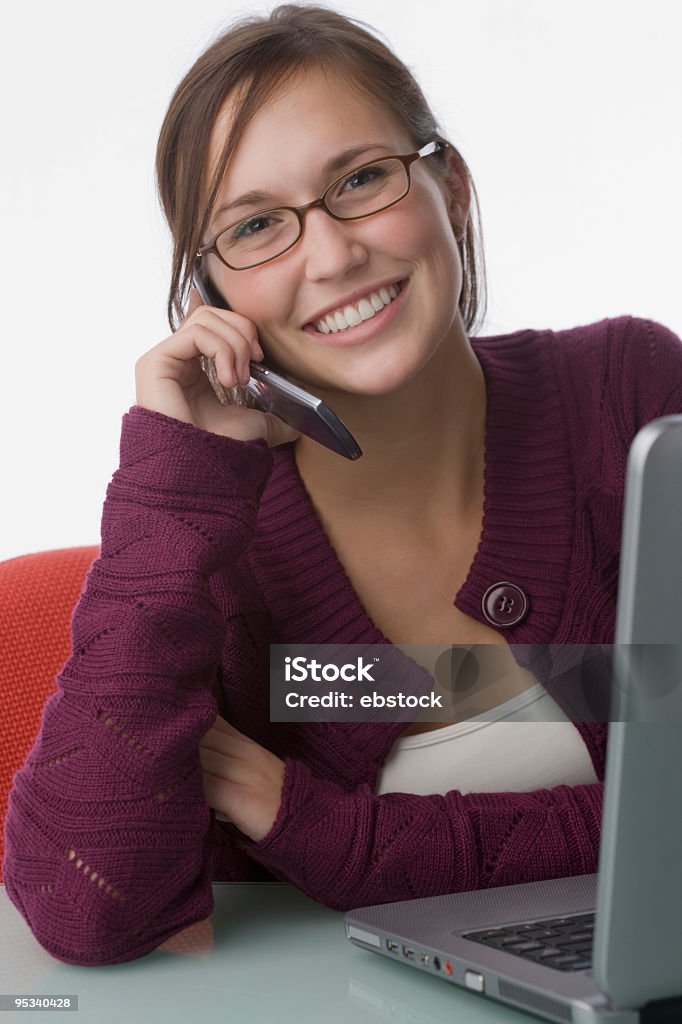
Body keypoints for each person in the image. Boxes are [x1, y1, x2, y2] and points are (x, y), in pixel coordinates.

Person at [4, 4, 682, 967]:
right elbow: (84, 913)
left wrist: (333, 837)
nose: (330, 256)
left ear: (450, 187)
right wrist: (172, 492)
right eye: (256, 227)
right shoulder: (215, 551)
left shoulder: (631, 401)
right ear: (216, 298)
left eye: (362, 179)